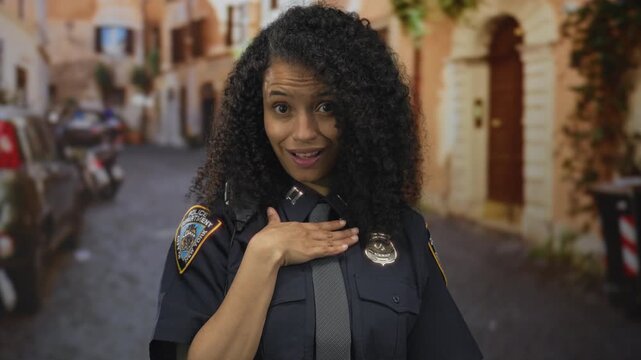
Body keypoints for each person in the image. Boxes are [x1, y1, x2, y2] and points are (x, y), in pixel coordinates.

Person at [150, 4, 482, 360]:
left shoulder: (403, 230)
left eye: (327, 107)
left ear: (361, 109)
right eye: (281, 108)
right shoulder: (216, 231)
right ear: (256, 112)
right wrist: (263, 258)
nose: (304, 133)